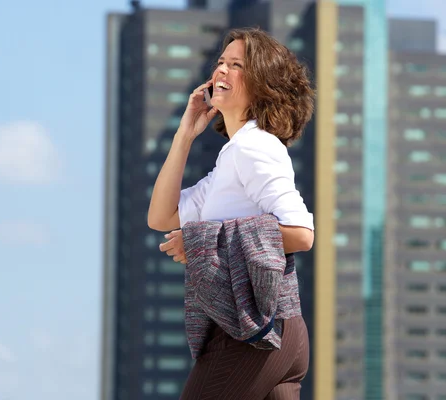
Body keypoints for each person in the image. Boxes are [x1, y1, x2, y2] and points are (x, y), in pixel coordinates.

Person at [147, 28, 315, 400]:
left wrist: (205, 242)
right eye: (221, 62)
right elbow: (162, 216)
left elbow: (302, 232)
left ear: (261, 85)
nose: (221, 70)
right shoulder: (233, 155)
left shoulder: (254, 146)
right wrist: (185, 135)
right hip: (275, 331)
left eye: (236, 65)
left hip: (253, 333)